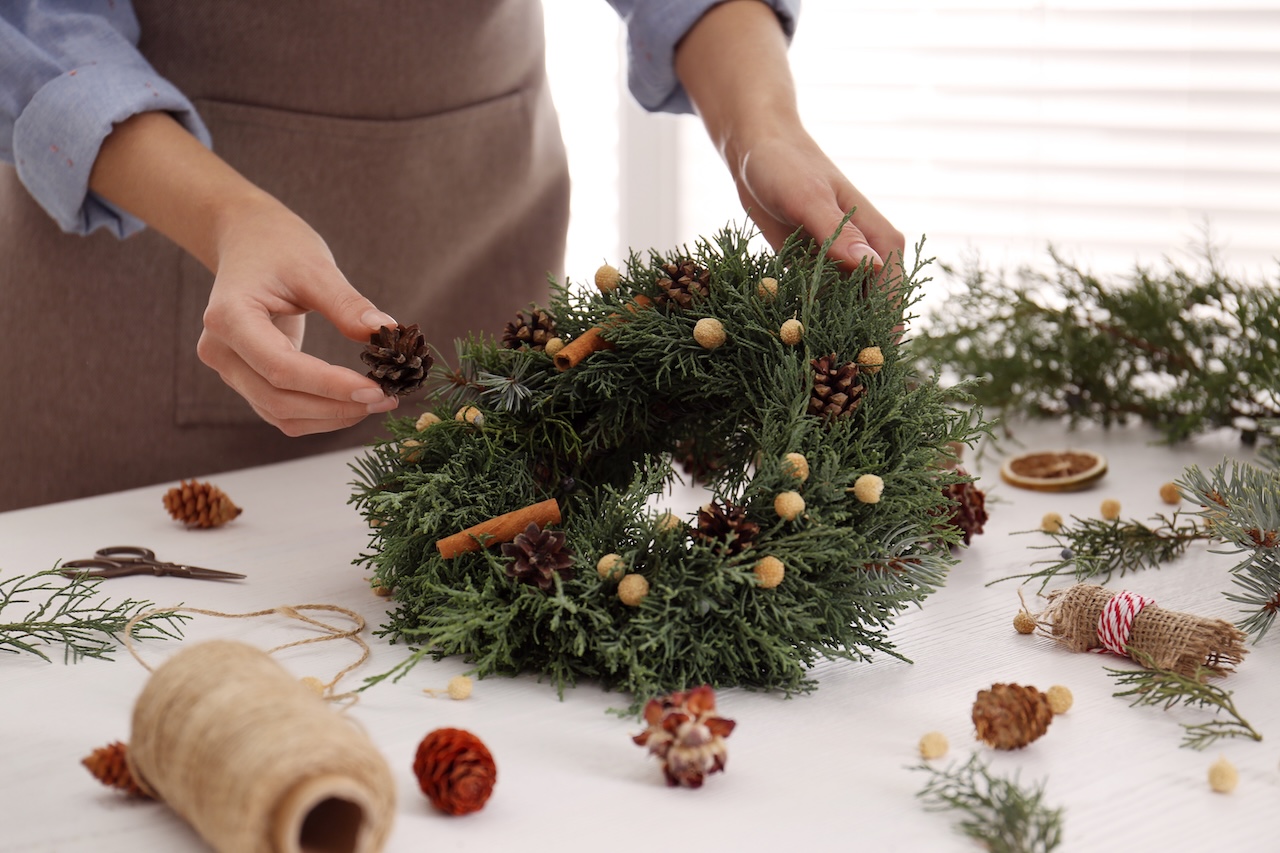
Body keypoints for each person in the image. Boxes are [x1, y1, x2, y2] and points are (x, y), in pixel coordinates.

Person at [0, 0, 903, 511]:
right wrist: (229, 218)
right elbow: (41, 28)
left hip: (484, 218)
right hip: (147, 255)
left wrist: (761, 126)